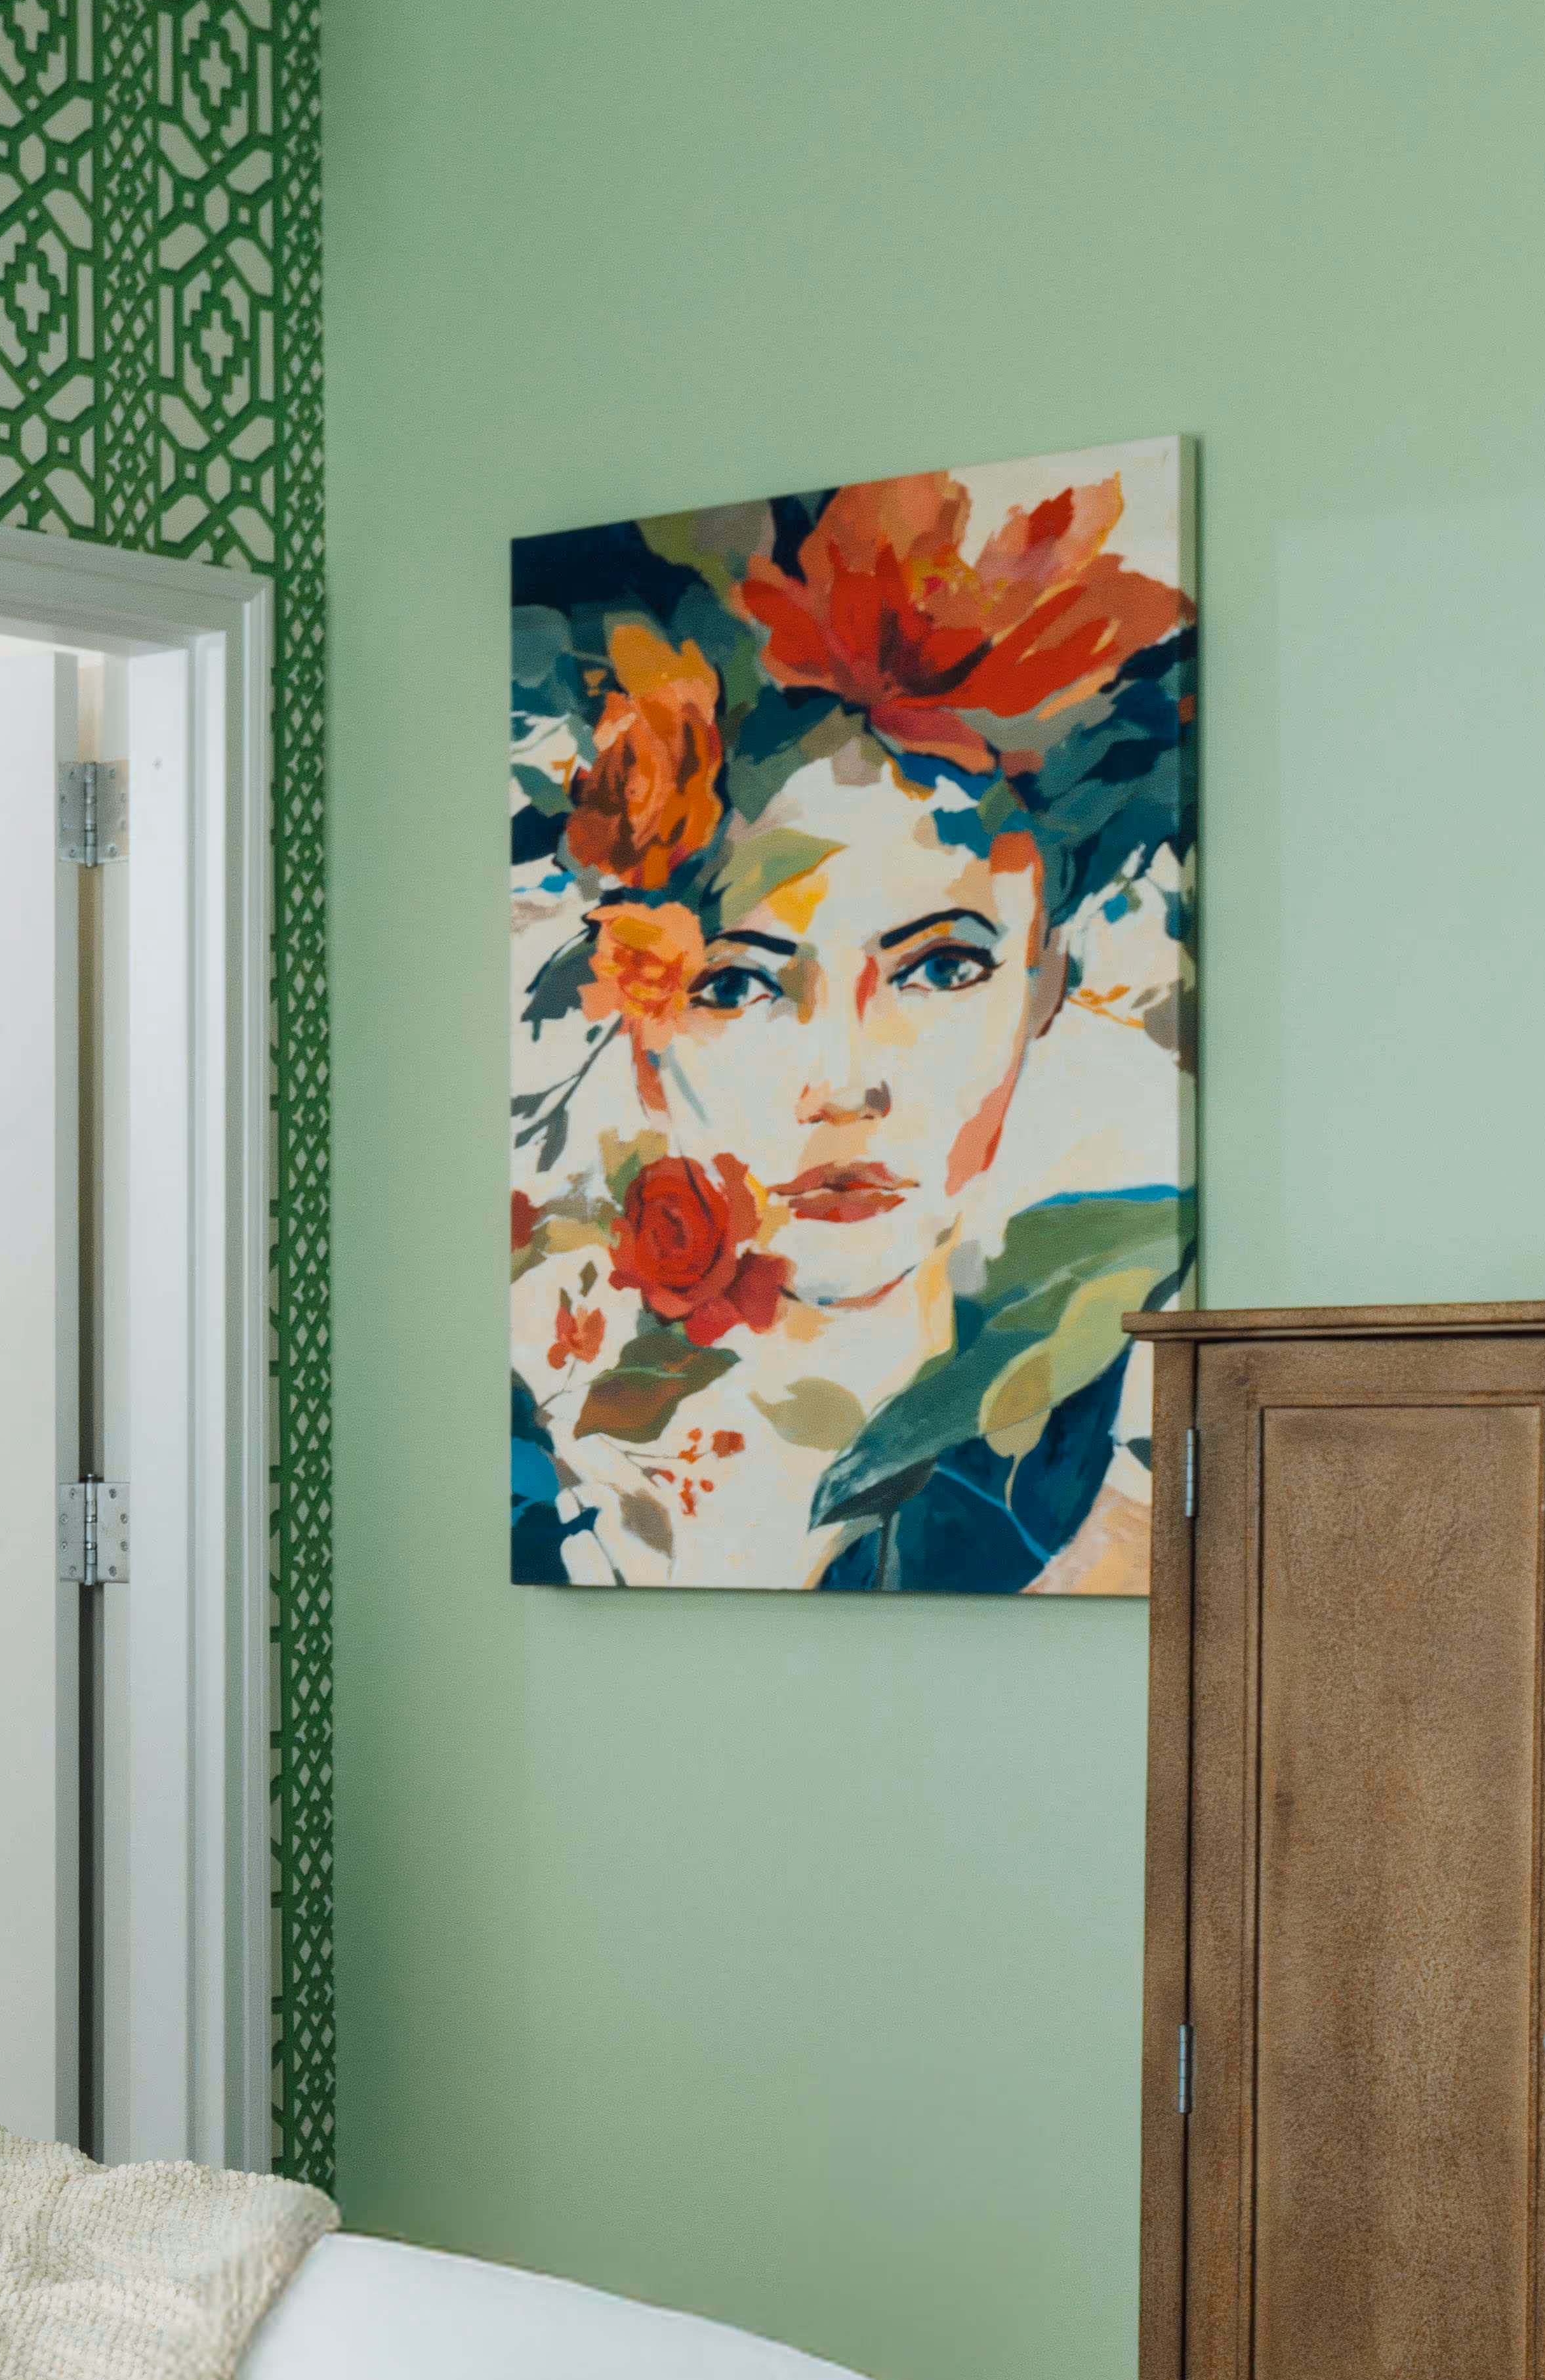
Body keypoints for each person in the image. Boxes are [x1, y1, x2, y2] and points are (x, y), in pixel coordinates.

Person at [505, 458, 1195, 1593]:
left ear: (1043, 982)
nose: (844, 1083)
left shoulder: (1117, 1482)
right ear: (637, 1019)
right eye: (733, 987)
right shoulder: (539, 1473)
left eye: (940, 968)